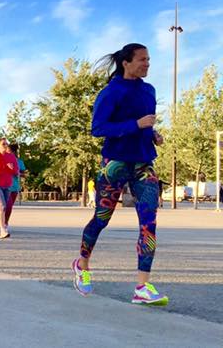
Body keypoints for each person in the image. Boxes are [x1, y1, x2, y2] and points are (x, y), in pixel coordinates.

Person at [73, 43, 167, 306]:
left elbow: (145, 124)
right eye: (142, 59)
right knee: (101, 219)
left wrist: (153, 134)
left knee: (149, 223)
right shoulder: (110, 92)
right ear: (126, 62)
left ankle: (142, 287)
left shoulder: (149, 90)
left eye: (149, 59)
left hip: (143, 163)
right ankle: (82, 264)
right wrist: (136, 125)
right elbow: (98, 128)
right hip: (114, 164)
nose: (147, 64)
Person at [5, 143, 27, 229]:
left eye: (8, 151)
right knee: (7, 205)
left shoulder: (19, 162)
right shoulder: (4, 160)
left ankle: (5, 222)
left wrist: (17, 173)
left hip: (14, 186)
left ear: (13, 152)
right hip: (5, 186)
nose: (6, 152)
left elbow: (24, 175)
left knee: (9, 207)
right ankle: (2, 223)